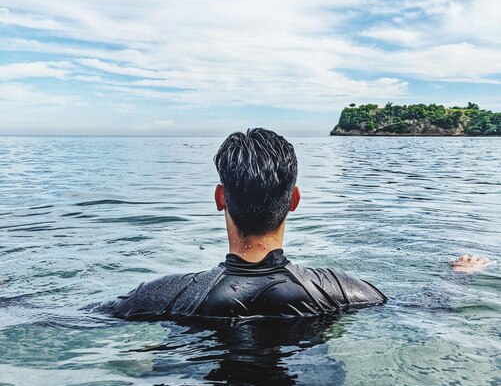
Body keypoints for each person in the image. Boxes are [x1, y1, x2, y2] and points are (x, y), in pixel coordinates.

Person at [100, 127, 387, 320]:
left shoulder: (163, 295)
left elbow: (67, 318)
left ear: (220, 197)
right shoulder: (340, 291)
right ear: (294, 200)